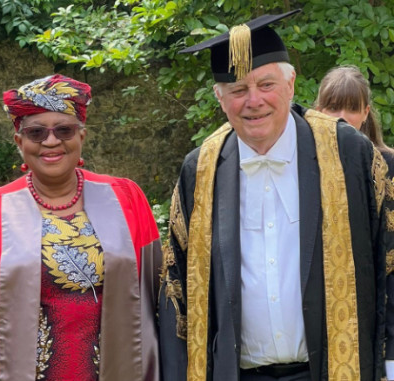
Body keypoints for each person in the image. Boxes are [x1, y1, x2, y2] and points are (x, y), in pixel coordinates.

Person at [158, 9, 394, 380]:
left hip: (333, 371)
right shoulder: (200, 170)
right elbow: (176, 289)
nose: (253, 101)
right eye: (238, 90)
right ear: (220, 99)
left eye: (266, 85)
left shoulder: (349, 153)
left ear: (291, 84)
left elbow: (389, 255)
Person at [0, 74, 161, 381]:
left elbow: (157, 301)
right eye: (36, 132)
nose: (51, 141)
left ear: (82, 135)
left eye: (64, 130)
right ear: (19, 141)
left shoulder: (126, 200)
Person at [315, 65, 394, 177]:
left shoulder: (388, 164)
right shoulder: (304, 160)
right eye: (333, 108)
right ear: (319, 112)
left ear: (365, 113)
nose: (342, 118)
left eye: (352, 109)